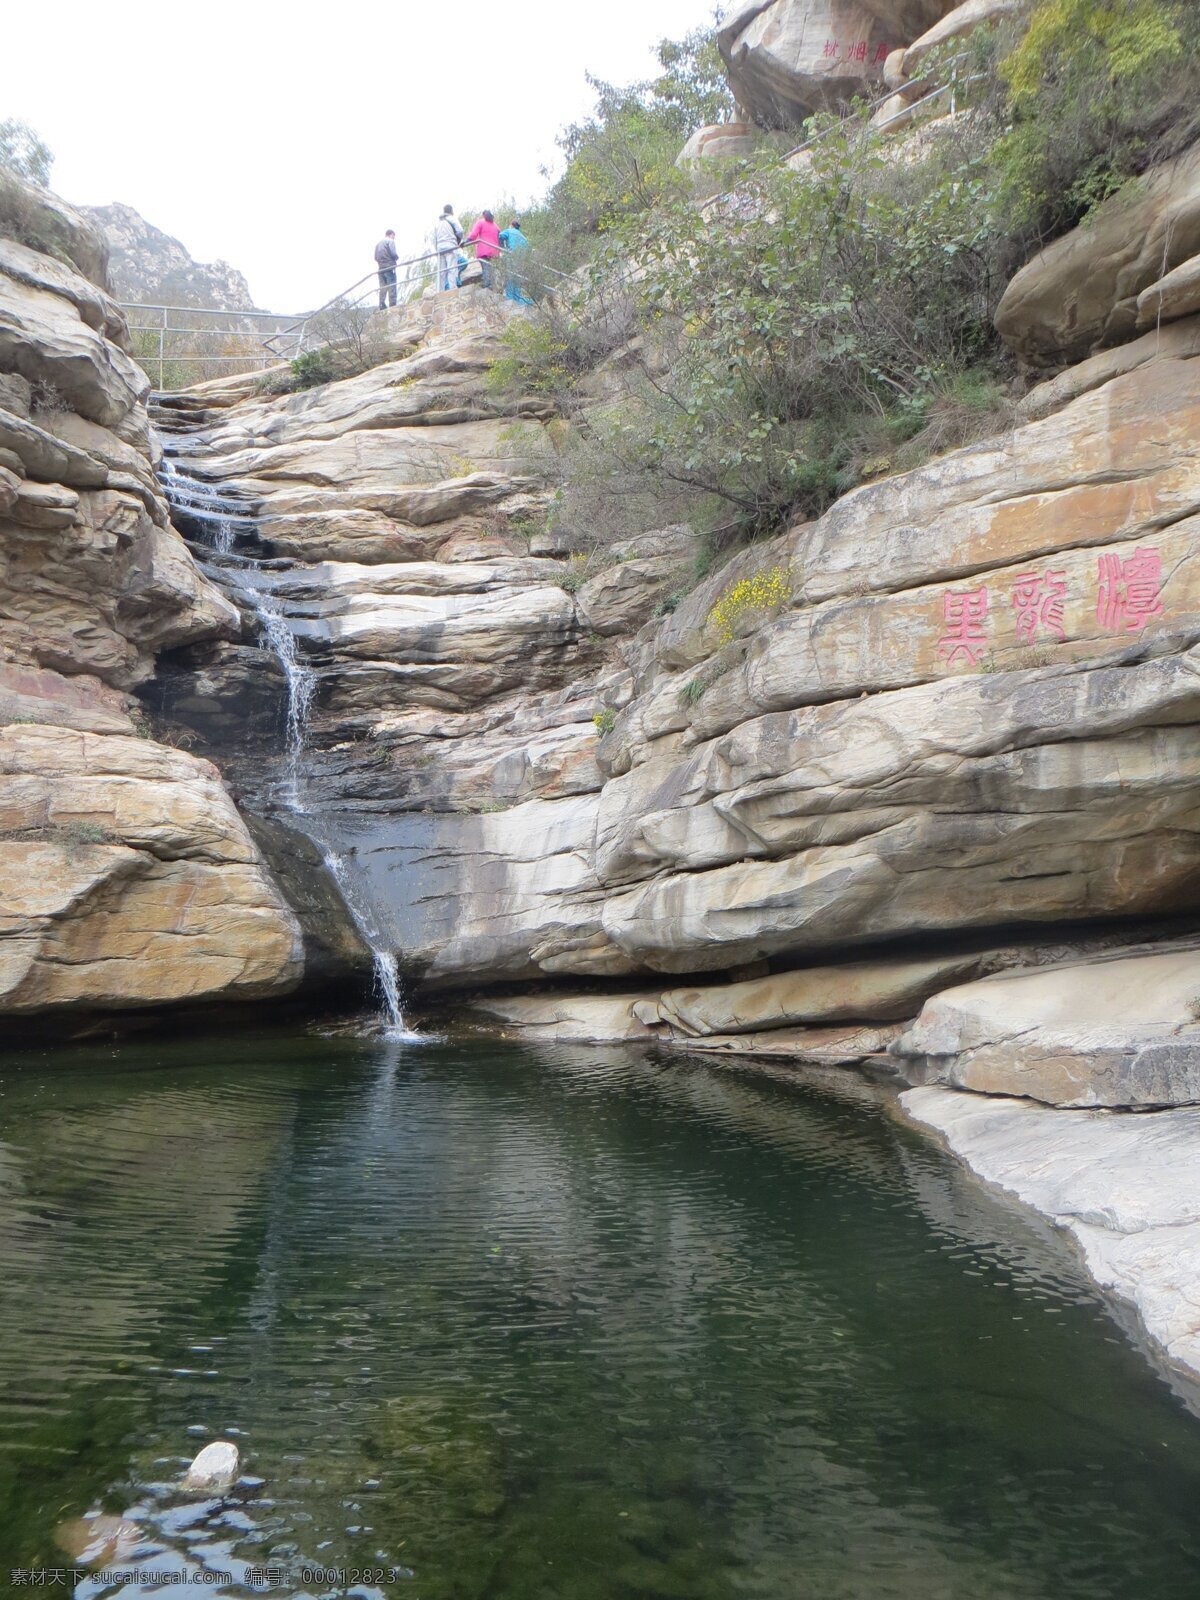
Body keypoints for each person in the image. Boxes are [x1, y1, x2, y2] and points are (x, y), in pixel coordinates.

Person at [465, 209, 502, 289]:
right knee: (492, 270)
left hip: (484, 250)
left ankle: (487, 287)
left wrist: (467, 241)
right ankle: (494, 287)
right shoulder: (496, 226)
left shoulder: (481, 222)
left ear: (484, 215)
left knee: (486, 268)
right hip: (495, 252)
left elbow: (474, 235)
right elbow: (500, 239)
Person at [498, 218, 533, 303]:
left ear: (511, 225)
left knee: (510, 277)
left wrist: (502, 247)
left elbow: (500, 236)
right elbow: (529, 248)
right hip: (520, 260)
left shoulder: (509, 231)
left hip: (511, 257)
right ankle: (517, 299)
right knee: (517, 279)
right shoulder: (522, 236)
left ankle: (509, 299)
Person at [433, 205, 463, 293]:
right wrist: (458, 241)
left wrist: (436, 249)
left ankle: (440, 292)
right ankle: (452, 289)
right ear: (451, 211)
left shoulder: (438, 223)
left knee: (441, 272)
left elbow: (434, 238)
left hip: (440, 248)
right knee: (452, 269)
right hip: (450, 246)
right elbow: (460, 231)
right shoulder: (452, 219)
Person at [374, 229, 399, 309]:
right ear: (391, 234)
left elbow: (375, 257)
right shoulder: (390, 241)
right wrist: (396, 258)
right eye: (393, 236)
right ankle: (393, 306)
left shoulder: (378, 244)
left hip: (381, 268)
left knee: (383, 287)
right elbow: (393, 253)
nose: (394, 238)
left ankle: (381, 305)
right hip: (389, 266)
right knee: (392, 286)